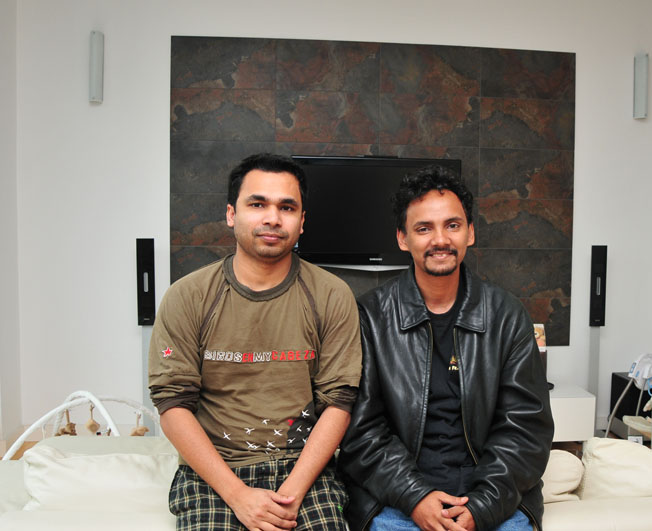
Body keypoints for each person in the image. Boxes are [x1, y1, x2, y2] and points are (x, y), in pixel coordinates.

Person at [148, 153, 362, 530]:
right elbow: (173, 404)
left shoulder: (331, 295)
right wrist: (238, 496)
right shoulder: (187, 296)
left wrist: (289, 496)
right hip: (214, 473)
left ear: (302, 221)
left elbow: (339, 403)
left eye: (287, 207)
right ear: (232, 214)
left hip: (304, 472)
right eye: (257, 204)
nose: (272, 218)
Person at [338, 165, 554, 531]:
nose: (440, 239)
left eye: (452, 225)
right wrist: (415, 497)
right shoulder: (371, 317)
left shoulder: (506, 315)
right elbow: (362, 431)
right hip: (398, 497)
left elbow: (526, 430)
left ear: (470, 232)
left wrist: (481, 508)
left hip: (491, 496)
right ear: (403, 239)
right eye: (424, 228)